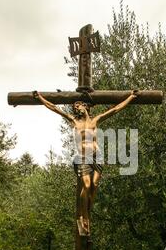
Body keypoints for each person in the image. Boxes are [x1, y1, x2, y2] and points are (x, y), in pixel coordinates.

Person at [33, 90, 137, 236]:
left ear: (85, 106)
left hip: (97, 157)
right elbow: (55, 108)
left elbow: (115, 109)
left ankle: (87, 213)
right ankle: (84, 216)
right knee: (87, 185)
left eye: (78, 106)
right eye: (75, 107)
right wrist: (41, 98)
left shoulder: (95, 120)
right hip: (82, 157)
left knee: (94, 185)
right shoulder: (74, 121)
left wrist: (131, 97)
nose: (76, 108)